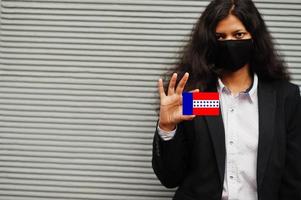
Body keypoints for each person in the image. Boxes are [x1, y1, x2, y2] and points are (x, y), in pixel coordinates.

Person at [152, 0, 301, 200]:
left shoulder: (284, 97)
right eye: (220, 37)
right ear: (209, 41)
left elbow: (293, 181)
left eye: (238, 35)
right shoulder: (195, 95)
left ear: (254, 37)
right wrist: (167, 128)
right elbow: (171, 177)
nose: (230, 43)